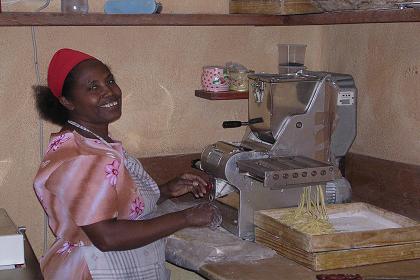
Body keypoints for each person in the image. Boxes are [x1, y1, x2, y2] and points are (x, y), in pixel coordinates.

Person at [33, 48, 220, 280]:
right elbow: (107, 236)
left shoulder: (93, 142)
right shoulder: (81, 157)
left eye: (109, 80)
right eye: (93, 87)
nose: (109, 92)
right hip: (97, 270)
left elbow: (111, 205)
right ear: (67, 101)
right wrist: (186, 217)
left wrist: (166, 190)